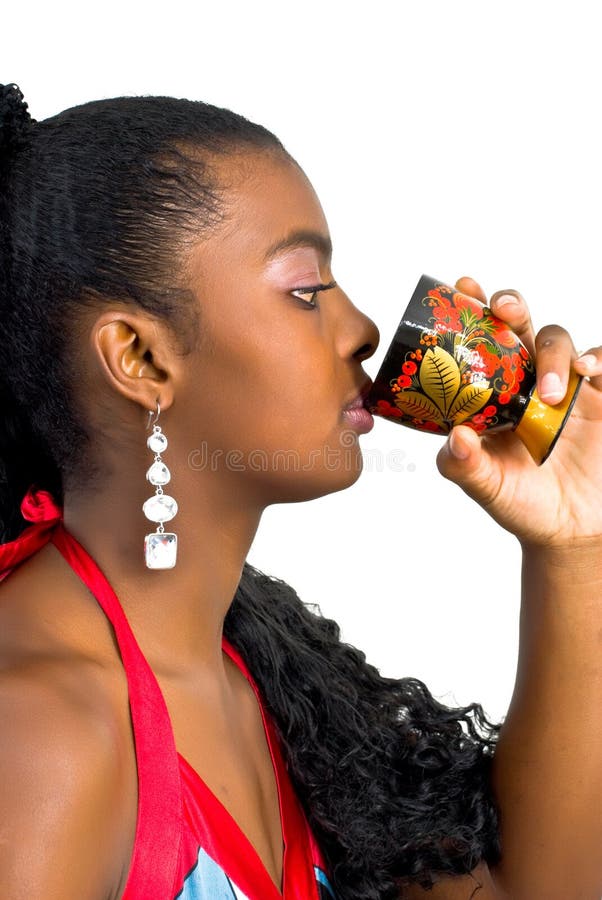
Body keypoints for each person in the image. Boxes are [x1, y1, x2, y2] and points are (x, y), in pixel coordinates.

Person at [0, 82, 600, 900]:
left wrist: (574, 543)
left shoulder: (272, 675)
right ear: (140, 359)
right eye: (306, 289)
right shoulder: (37, 734)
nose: (361, 330)